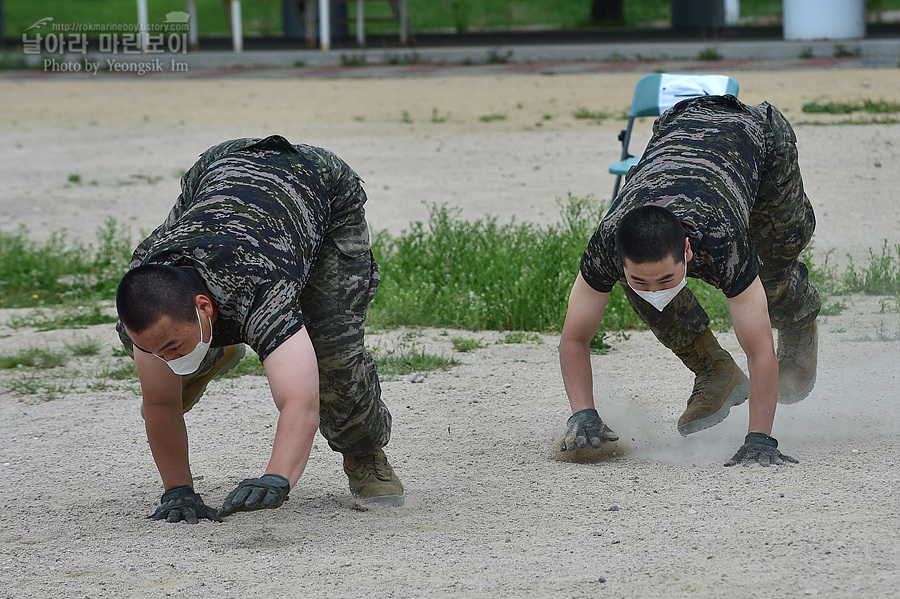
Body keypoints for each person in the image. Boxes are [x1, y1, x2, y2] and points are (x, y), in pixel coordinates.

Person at [115, 135, 404, 524]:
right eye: (160, 352)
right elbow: (159, 403)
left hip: (316, 184)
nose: (164, 356)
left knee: (333, 355)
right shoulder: (146, 280)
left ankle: (363, 453)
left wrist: (277, 478)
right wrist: (178, 491)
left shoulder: (260, 287)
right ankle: (212, 350)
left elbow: (300, 402)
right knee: (150, 344)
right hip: (219, 169)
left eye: (173, 346)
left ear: (204, 308)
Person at [558, 95, 819, 466]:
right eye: (641, 279)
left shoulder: (722, 239)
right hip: (679, 125)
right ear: (618, 258)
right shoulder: (608, 243)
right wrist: (582, 413)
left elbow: (760, 349)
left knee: (774, 269)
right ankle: (715, 370)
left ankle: (799, 323)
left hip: (757, 137)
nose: (656, 289)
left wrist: (759, 439)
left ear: (687, 251)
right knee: (644, 291)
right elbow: (574, 337)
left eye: (667, 277)